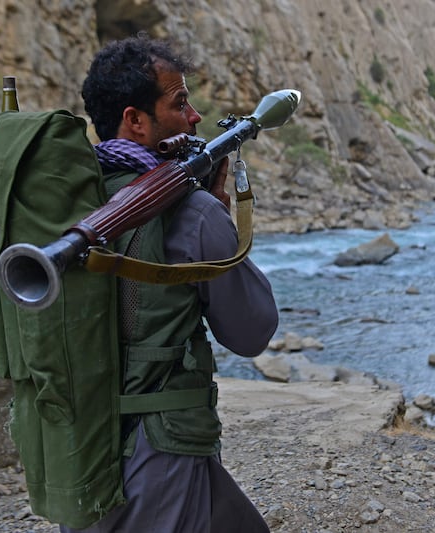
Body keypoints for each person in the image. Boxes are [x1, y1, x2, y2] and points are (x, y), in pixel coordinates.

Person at [64, 34, 279, 532]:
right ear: (135, 120)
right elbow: (251, 332)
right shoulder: (194, 211)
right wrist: (217, 220)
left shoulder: (68, 199)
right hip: (161, 450)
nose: (196, 116)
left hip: (78, 442)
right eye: (179, 102)